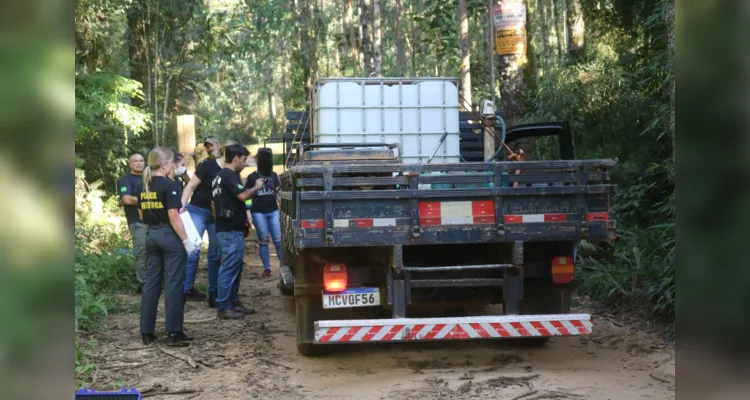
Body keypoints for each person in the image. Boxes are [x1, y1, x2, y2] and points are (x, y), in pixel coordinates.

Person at [138, 146, 200, 346]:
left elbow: (141, 215)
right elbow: (174, 216)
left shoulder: (145, 186)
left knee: (151, 284)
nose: (175, 166)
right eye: (173, 162)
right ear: (165, 165)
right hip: (169, 236)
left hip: (151, 235)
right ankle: (174, 332)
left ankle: (146, 332)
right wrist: (186, 241)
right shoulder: (170, 185)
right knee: (173, 284)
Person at [212, 144, 265, 319]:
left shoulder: (219, 176)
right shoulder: (228, 175)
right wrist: (257, 187)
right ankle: (224, 305)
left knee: (234, 266)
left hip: (227, 227)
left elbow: (214, 204)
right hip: (229, 230)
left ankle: (233, 302)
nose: (245, 164)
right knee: (229, 266)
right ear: (235, 158)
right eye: (243, 160)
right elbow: (242, 196)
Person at [180, 138, 222, 305]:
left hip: (216, 215)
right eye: (207, 146)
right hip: (198, 210)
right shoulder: (205, 165)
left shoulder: (230, 167)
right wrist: (181, 208)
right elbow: (190, 186)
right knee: (193, 250)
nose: (210, 148)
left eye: (212, 144)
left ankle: (214, 293)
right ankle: (186, 289)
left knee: (215, 254)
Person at [245, 148, 281, 278]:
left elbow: (278, 194)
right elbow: (246, 195)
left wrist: (281, 207)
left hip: (273, 211)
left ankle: (283, 266)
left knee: (278, 240)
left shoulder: (274, 175)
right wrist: (255, 187)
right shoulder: (251, 177)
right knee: (264, 240)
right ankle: (267, 268)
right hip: (258, 212)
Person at [118, 153, 147, 293]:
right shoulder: (125, 180)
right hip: (137, 221)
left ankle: (156, 282)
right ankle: (143, 284)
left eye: (141, 160)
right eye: (135, 161)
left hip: (154, 221)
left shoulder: (150, 178)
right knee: (142, 252)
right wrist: (149, 199)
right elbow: (127, 200)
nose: (139, 163)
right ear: (130, 164)